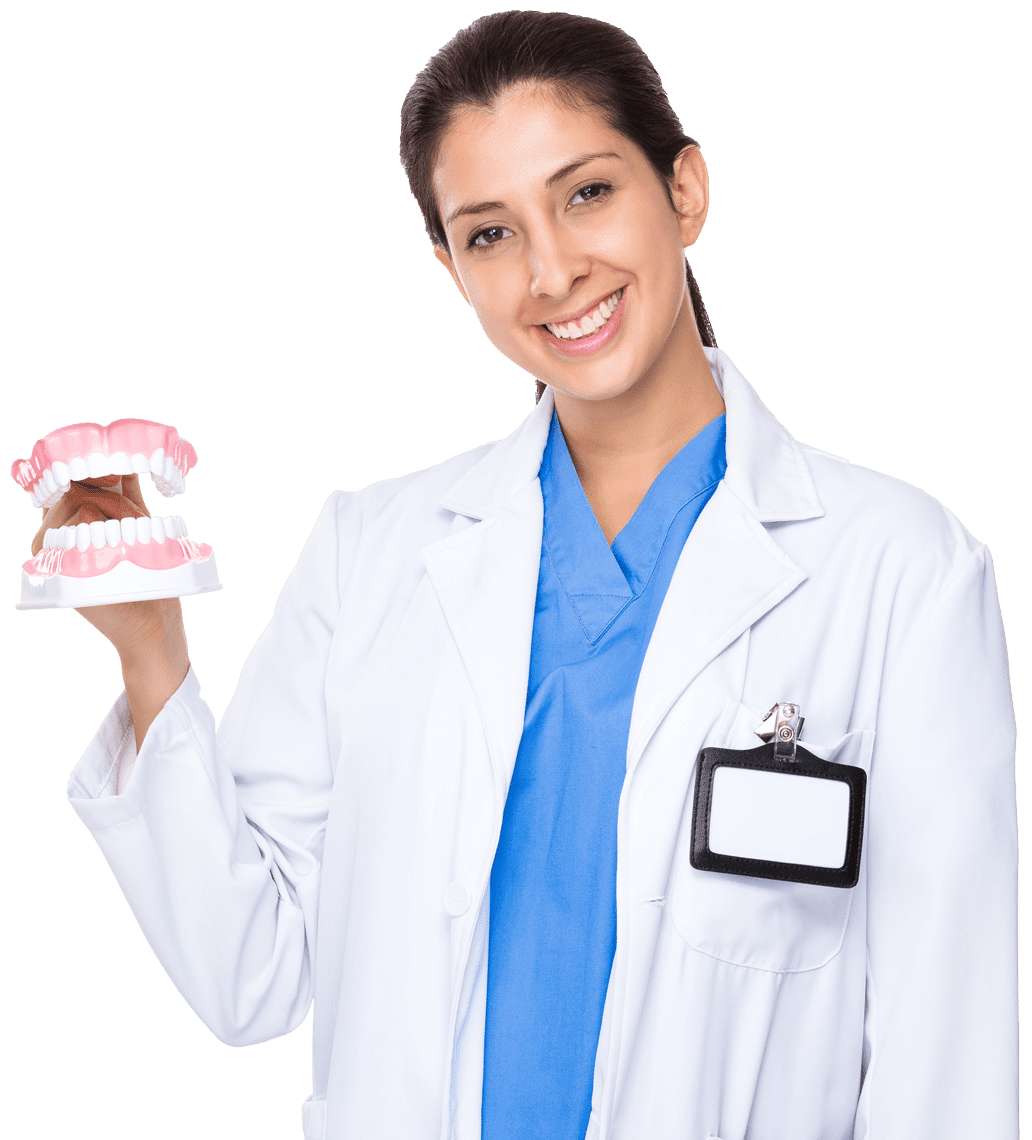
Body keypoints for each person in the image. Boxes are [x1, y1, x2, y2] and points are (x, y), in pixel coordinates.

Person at [36, 11, 1015, 1140]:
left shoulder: (901, 571)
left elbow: (947, 1056)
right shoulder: (371, 551)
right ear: (452, 268)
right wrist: (150, 649)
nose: (552, 272)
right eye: (491, 233)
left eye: (587, 192)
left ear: (685, 190)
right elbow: (248, 974)